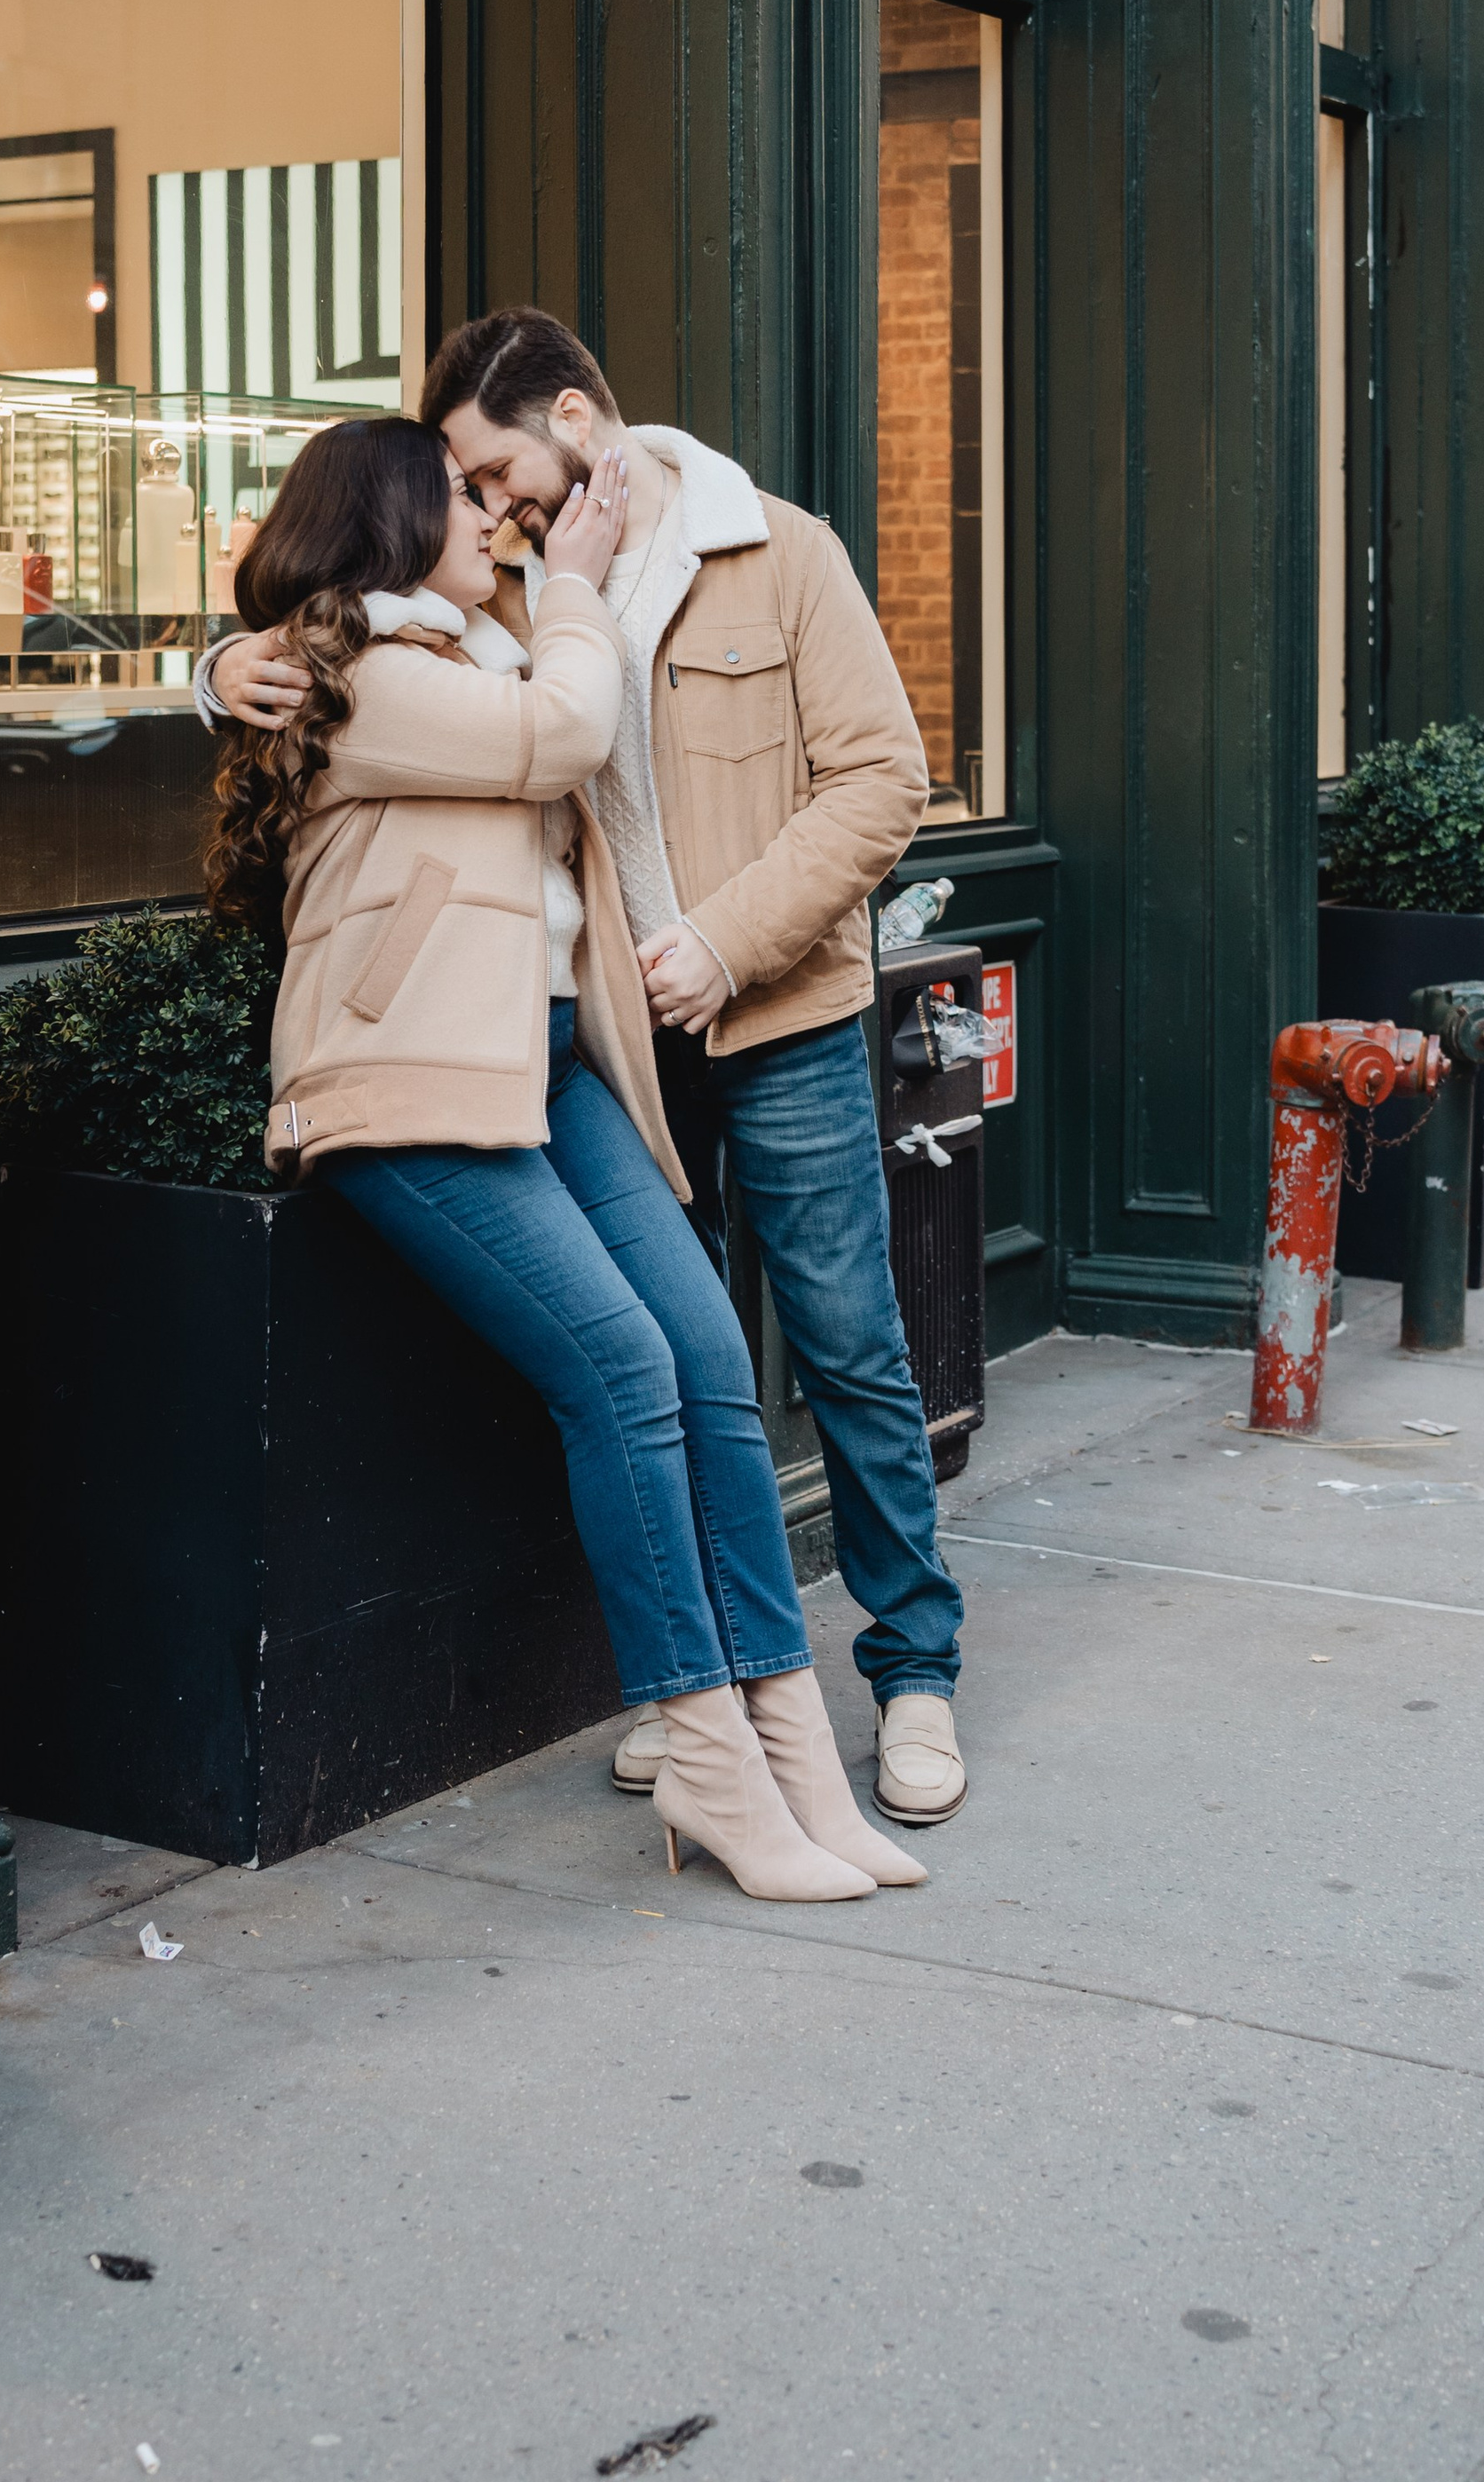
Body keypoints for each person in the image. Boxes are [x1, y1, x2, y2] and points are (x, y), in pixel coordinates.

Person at [206, 320, 971, 1828]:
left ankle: (913, 1671)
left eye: (496, 468)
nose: (490, 505)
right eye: (467, 486)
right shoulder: (511, 583)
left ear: (573, 418)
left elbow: (884, 779)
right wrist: (223, 663)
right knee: (680, 1356)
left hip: (774, 1007)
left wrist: (729, 943)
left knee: (843, 1342)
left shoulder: (778, 549)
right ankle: (707, 1694)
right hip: (595, 1036)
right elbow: (354, 624)